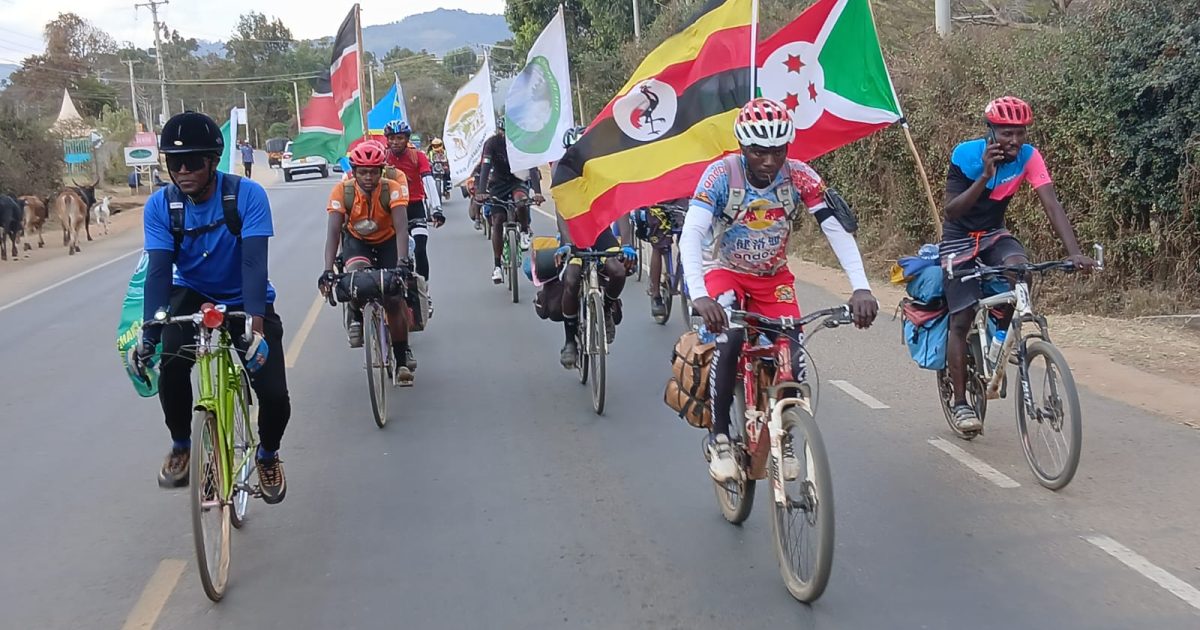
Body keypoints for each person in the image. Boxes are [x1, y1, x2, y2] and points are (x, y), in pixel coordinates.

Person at [680, 98, 878, 482]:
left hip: (773, 277)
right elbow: (692, 234)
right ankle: (720, 437)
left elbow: (835, 229)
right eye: (758, 152)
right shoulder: (719, 176)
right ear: (742, 146)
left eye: (777, 151)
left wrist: (861, 288)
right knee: (730, 338)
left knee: (792, 350)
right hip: (724, 271)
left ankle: (784, 435)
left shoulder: (800, 176)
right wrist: (699, 294)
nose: (769, 161)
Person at [124, 111, 290, 503]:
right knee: (172, 363)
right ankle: (182, 445)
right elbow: (159, 272)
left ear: (213, 161)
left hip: (243, 295)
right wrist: (149, 335)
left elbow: (254, 265)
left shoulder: (247, 195)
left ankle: (268, 455)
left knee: (274, 394)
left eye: (193, 161)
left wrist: (256, 326)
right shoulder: (160, 206)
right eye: (174, 162)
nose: (183, 171)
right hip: (191, 292)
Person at [941, 96, 1096, 433]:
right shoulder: (966, 155)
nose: (1014, 140)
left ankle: (1000, 340)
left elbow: (1051, 204)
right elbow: (951, 212)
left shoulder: (1029, 156)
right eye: (1006, 133)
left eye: (1020, 133)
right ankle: (961, 403)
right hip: (958, 238)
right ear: (990, 131)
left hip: (994, 234)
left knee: (1020, 270)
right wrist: (984, 176)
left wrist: (1074, 252)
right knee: (961, 318)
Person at [318, 140, 417, 382]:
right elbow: (333, 232)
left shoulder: (392, 188)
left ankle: (402, 358)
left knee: (393, 297)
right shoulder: (342, 191)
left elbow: (401, 228)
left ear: (381, 171)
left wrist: (402, 263)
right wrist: (327, 270)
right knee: (356, 279)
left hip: (389, 241)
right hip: (357, 241)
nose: (368, 177)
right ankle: (355, 313)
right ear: (354, 172)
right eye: (363, 172)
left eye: (373, 172)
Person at [475, 115, 545, 283]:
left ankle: (524, 231)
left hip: (518, 181)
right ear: (500, 131)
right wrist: (482, 191)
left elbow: (532, 168)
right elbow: (485, 167)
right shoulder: (491, 144)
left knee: (521, 201)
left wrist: (537, 192)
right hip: (498, 183)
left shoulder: (524, 143)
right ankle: (497, 266)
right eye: (504, 132)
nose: (508, 136)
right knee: (498, 220)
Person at [382, 120, 445, 282]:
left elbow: (428, 181)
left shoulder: (418, 156)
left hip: (415, 207)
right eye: (391, 138)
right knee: (393, 253)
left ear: (407, 139)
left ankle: (424, 289)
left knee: (420, 250)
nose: (395, 142)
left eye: (400, 138)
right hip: (391, 210)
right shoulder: (382, 157)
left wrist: (436, 209)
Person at [638, 198, 688, 318]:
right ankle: (655, 294)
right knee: (658, 247)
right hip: (658, 201)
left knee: (690, 239)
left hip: (680, 199)